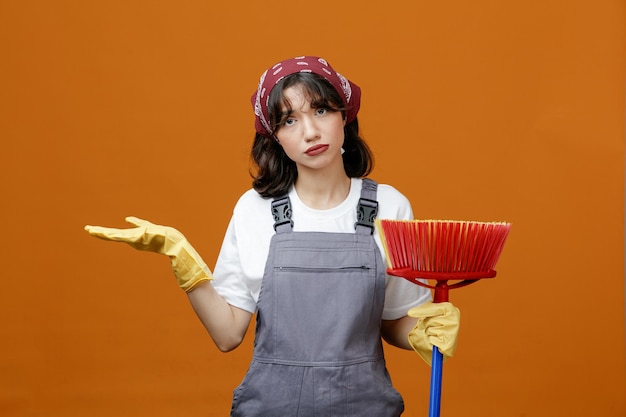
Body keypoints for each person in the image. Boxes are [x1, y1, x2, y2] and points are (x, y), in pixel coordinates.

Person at [85, 56, 460, 416]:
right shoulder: (254, 211)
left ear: (344, 114)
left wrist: (424, 332)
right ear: (275, 136)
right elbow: (228, 334)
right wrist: (181, 259)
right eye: (289, 121)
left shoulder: (389, 207)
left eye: (321, 110)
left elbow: (392, 320)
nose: (310, 131)